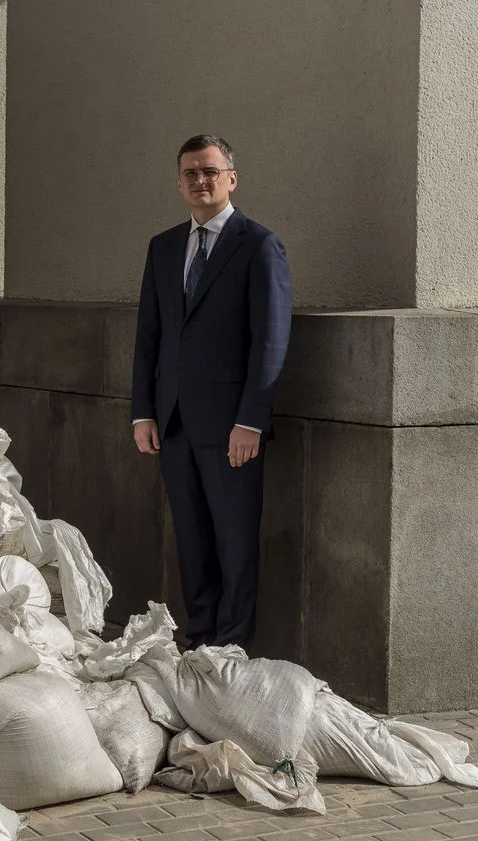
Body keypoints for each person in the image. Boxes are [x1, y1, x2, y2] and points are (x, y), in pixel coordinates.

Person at [130, 134, 293, 651]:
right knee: (194, 543)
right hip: (173, 423)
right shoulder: (162, 247)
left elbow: (270, 339)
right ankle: (199, 648)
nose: (201, 181)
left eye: (210, 172)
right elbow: (149, 338)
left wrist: (252, 420)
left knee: (235, 544)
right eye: (190, 174)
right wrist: (143, 412)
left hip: (232, 430)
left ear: (231, 178)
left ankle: (233, 653)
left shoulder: (259, 245)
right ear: (179, 183)